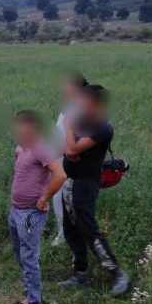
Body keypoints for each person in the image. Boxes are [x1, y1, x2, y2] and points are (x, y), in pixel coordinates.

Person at [58, 84, 130, 296]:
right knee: (71, 229)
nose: (79, 105)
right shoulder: (82, 120)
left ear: (96, 104)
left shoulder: (102, 127)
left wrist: (68, 128)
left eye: (84, 102)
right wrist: (72, 146)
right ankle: (79, 274)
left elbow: (71, 149)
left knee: (88, 228)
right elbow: (68, 152)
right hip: (70, 181)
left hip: (86, 183)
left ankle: (117, 273)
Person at [9, 110, 67, 304]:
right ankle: (28, 295)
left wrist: (44, 198)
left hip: (31, 213)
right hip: (15, 210)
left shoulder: (40, 148)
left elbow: (60, 174)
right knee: (20, 253)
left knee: (29, 256)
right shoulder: (20, 148)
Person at [51, 73, 87, 246]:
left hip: (74, 159)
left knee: (70, 198)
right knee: (60, 196)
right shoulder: (70, 106)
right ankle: (64, 231)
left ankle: (71, 235)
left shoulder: (85, 108)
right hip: (61, 157)